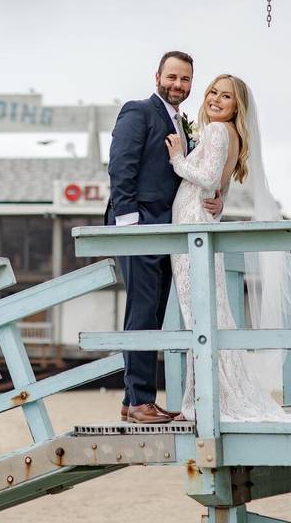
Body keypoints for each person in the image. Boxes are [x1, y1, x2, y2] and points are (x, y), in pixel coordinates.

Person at [166, 74, 291, 422]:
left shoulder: (218, 131)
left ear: (238, 107)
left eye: (226, 97)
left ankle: (199, 402)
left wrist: (178, 158)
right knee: (210, 313)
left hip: (192, 224)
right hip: (202, 221)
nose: (216, 100)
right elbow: (219, 186)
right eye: (213, 93)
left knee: (198, 317)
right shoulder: (233, 136)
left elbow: (206, 179)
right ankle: (207, 396)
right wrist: (218, 204)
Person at [106, 51, 223, 424]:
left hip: (168, 228)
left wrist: (212, 202)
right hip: (140, 227)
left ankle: (134, 400)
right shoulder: (137, 111)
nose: (178, 85)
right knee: (142, 310)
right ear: (157, 75)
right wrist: (129, 226)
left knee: (154, 312)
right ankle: (140, 401)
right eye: (172, 77)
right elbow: (121, 166)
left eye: (185, 80)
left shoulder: (182, 122)